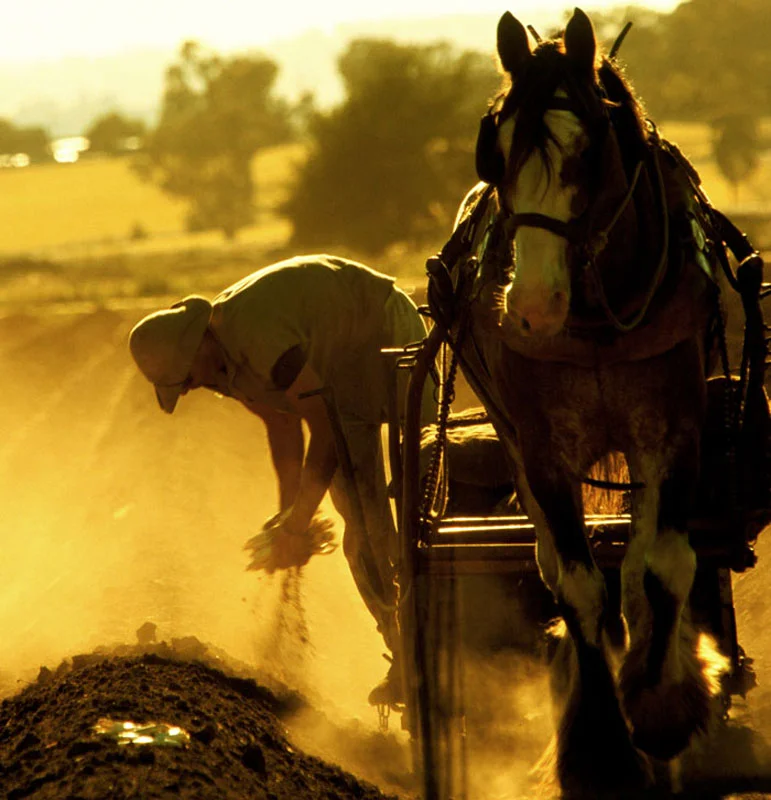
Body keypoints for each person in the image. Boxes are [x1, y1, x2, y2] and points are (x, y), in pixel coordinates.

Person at [128, 254, 435, 706]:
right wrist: (290, 517)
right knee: (363, 529)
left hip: (385, 332)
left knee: (425, 489)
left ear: (197, 347)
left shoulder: (254, 334)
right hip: (342, 376)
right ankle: (409, 654)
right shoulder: (223, 370)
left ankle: (446, 640)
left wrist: (298, 525)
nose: (191, 388)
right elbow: (283, 426)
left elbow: (324, 427)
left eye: (185, 378)